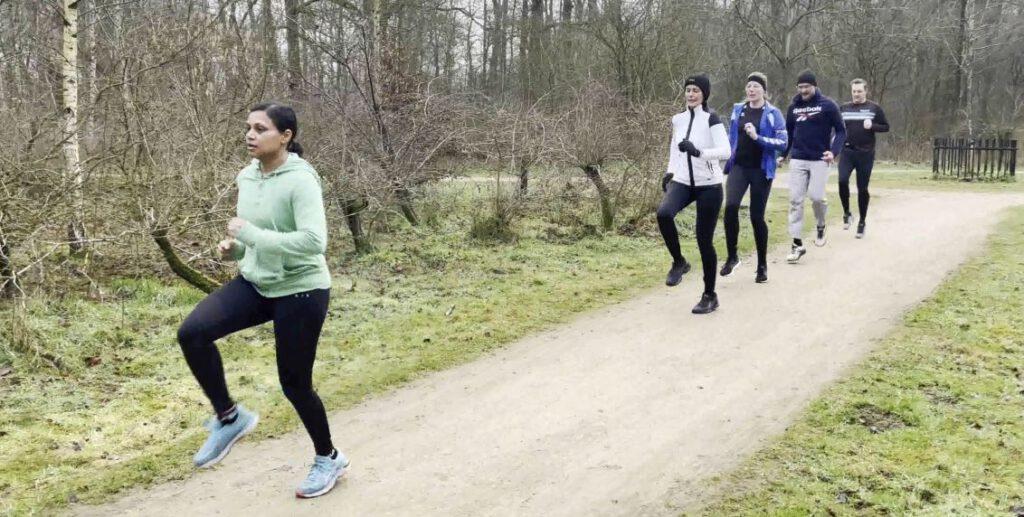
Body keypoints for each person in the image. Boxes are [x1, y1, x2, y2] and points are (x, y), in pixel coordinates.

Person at [176, 103, 348, 499]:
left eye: (261, 128)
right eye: (248, 128)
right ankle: (229, 417)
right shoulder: (247, 176)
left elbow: (312, 242)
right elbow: (253, 238)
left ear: (285, 136)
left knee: (295, 384)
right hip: (257, 282)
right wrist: (234, 250)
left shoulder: (301, 180)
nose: (250, 135)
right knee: (193, 333)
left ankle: (329, 457)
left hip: (301, 290)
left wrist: (249, 234)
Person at [658, 74, 731, 314]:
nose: (691, 94)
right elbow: (673, 148)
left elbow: (725, 151)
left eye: (695, 90)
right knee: (664, 214)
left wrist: (698, 152)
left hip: (709, 184)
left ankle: (710, 295)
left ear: (704, 94)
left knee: (704, 241)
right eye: (688, 90)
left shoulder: (712, 119)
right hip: (683, 181)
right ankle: (679, 262)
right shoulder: (678, 119)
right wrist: (669, 172)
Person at [721, 72, 788, 283]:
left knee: (756, 216)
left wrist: (757, 137)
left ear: (764, 91)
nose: (751, 90)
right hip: (739, 167)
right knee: (730, 207)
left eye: (756, 87)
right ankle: (732, 257)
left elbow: (782, 143)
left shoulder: (773, 113)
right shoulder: (738, 110)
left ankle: (762, 265)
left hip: (761, 169)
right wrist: (726, 155)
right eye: (749, 86)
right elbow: (731, 137)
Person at [780, 70, 846, 263]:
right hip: (798, 158)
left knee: (816, 197)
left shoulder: (828, 105)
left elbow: (841, 131)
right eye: (800, 87)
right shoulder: (794, 107)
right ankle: (797, 243)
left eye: (806, 87)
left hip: (820, 159)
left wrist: (833, 152)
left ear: (814, 86)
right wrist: (783, 155)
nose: (803, 90)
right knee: (795, 200)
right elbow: (789, 134)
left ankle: (821, 223)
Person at [839, 78, 890, 238]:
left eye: (859, 91)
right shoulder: (844, 108)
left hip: (865, 154)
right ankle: (847, 213)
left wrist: (872, 126)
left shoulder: (874, 108)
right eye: (854, 91)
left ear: (866, 91)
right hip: (847, 151)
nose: (856, 94)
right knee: (842, 181)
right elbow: (838, 128)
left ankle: (862, 221)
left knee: (862, 188)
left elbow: (886, 127)